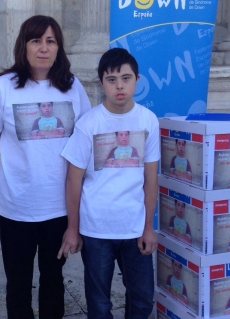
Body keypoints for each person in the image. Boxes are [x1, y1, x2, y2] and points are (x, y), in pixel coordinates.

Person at [0, 15, 91, 319]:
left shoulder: (72, 87)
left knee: (53, 278)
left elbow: (85, 139)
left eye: (50, 41)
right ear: (23, 46)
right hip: (15, 205)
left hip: (58, 206)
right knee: (18, 281)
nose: (43, 48)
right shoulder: (4, 87)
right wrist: (17, 169)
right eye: (36, 40)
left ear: (59, 48)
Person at [58, 48, 159, 319]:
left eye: (126, 78)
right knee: (99, 305)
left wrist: (149, 226)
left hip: (135, 227)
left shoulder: (148, 120)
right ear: (101, 82)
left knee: (142, 300)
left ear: (137, 79)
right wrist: (73, 228)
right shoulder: (89, 123)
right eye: (111, 79)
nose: (119, 86)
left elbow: (150, 178)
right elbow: (73, 179)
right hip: (96, 230)